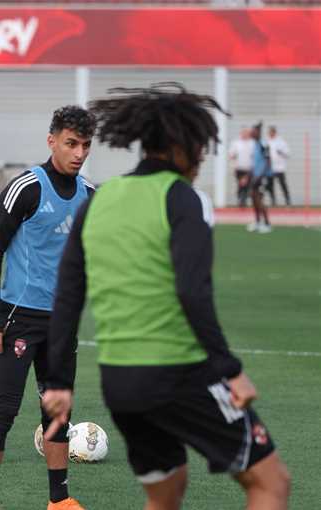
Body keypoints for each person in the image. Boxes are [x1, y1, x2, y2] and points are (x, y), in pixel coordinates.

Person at [42, 84, 291, 510]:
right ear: (177, 146)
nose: (201, 158)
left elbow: (67, 296)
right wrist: (230, 370)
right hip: (179, 374)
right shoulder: (182, 199)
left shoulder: (99, 200)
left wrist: (60, 383)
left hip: (120, 383)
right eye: (198, 146)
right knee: (271, 483)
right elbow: (193, 292)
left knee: (166, 492)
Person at [0, 106, 94, 510]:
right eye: (71, 143)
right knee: (4, 408)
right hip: (18, 317)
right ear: (51, 141)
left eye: (85, 145)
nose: (79, 153)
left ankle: (59, 500)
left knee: (58, 408)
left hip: (62, 323)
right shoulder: (26, 188)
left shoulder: (90, 195)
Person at [247, 123, 272, 233]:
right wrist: (250, 175)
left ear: (258, 132)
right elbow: (255, 162)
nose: (251, 133)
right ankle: (257, 222)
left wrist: (260, 176)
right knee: (253, 198)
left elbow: (268, 161)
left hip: (263, 176)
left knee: (259, 199)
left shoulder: (263, 144)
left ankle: (267, 224)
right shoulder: (255, 144)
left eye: (253, 131)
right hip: (256, 176)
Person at [228, 128, 254, 208]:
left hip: (249, 168)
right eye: (244, 133)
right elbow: (231, 154)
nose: (245, 134)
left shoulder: (252, 143)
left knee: (247, 185)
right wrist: (233, 164)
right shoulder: (236, 143)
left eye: (247, 133)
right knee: (240, 185)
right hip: (239, 168)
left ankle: (244, 200)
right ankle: (240, 199)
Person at [266, 126, 291, 206]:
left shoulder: (281, 142)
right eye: (269, 132)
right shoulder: (267, 142)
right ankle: (273, 201)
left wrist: (281, 152)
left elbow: (288, 154)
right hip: (270, 168)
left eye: (272, 132)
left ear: (275, 132)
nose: (271, 133)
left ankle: (287, 200)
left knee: (283, 184)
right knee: (270, 185)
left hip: (280, 168)